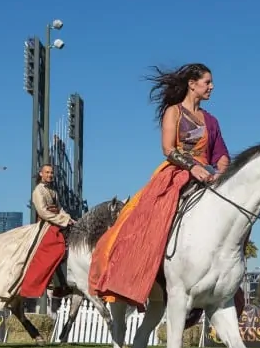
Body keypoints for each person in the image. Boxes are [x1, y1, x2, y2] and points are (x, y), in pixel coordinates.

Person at [89, 63, 245, 313]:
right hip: (177, 172)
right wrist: (193, 167)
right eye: (207, 82)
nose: (212, 87)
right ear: (192, 84)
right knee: (150, 216)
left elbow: (221, 153)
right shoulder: (174, 112)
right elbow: (168, 149)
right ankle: (140, 269)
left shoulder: (212, 120)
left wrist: (221, 173)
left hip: (209, 176)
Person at [20, 164, 75, 300]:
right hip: (46, 225)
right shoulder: (38, 191)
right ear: (41, 174)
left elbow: (60, 209)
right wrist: (61, 221)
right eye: (47, 172)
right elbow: (43, 212)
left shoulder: (53, 191)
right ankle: (57, 284)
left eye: (51, 173)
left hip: (56, 222)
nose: (50, 175)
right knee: (55, 248)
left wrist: (69, 219)